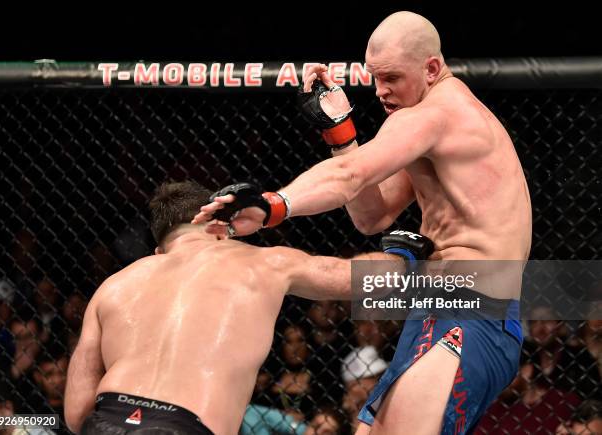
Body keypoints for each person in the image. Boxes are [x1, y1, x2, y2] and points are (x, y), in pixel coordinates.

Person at [193, 10, 532, 434]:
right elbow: (371, 214)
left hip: (473, 311)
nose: (379, 91)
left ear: (430, 68)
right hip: (441, 307)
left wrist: (273, 205)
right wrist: (341, 133)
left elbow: (348, 178)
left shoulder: (437, 115)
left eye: (390, 78)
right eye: (373, 77)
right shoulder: (427, 123)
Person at [64, 180, 425, 435]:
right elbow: (354, 279)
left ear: (160, 250)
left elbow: (76, 412)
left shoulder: (116, 283)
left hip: (107, 420)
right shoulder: (264, 262)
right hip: (184, 426)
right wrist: (409, 254)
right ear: (221, 229)